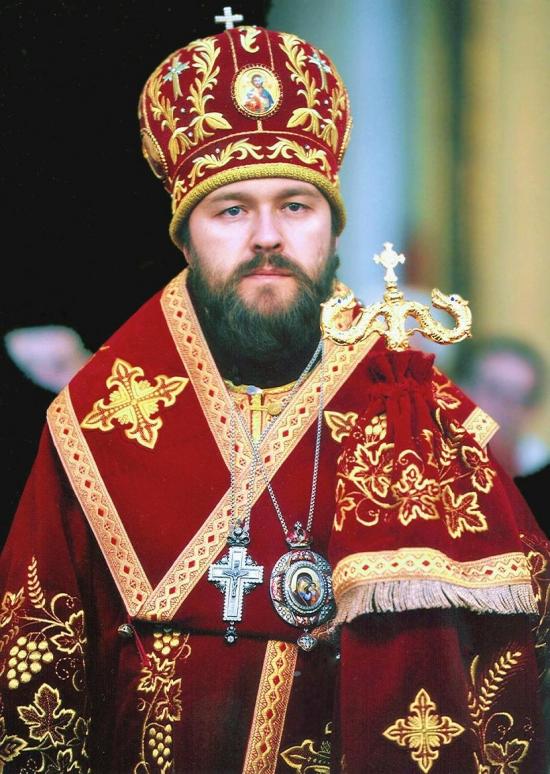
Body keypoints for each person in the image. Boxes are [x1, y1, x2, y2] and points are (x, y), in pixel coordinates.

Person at [1, 17, 548, 774]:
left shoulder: (420, 415)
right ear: (184, 239)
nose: (267, 236)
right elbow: (35, 683)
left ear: (332, 232)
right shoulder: (92, 427)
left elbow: (515, 672)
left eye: (296, 206)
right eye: (231, 210)